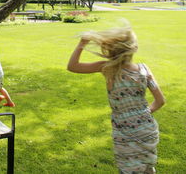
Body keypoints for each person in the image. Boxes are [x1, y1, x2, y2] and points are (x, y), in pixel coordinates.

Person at [67, 24, 165, 174]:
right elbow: (160, 101)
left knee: (128, 170)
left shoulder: (108, 68)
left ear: (111, 50)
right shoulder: (144, 70)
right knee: (147, 169)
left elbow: (73, 66)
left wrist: (82, 44)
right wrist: (142, 114)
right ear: (134, 48)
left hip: (125, 133)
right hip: (148, 130)